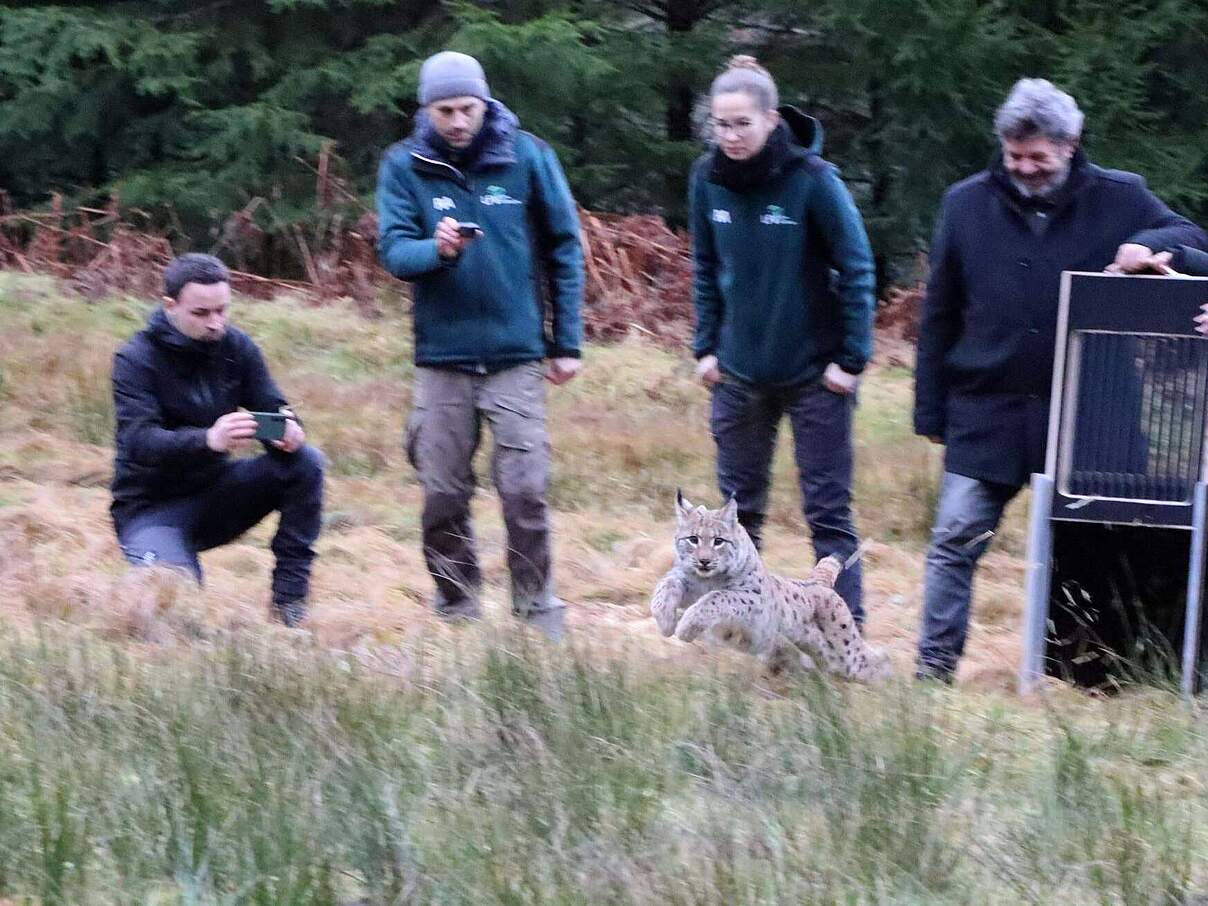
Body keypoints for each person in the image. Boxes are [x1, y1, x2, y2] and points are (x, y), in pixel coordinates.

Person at [913, 78, 1208, 681]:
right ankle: (933, 668)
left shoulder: (1122, 197)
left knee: (1092, 547)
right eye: (1014, 155)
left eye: (1038, 158)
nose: (1024, 168)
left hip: (1089, 413)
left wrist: (1144, 245)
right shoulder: (964, 203)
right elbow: (939, 311)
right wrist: (931, 413)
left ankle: (1085, 674)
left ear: (1070, 145)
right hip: (985, 409)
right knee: (955, 539)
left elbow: (1192, 239)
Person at [375, 51, 584, 627]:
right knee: (442, 495)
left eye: (467, 108)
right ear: (426, 110)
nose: (458, 122)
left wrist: (566, 342)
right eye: (444, 111)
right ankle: (458, 607)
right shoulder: (403, 166)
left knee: (525, 493)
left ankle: (536, 608)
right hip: (442, 357)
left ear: (485, 102)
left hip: (517, 355)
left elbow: (565, 248)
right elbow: (393, 250)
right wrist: (434, 251)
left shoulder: (528, 156)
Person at [690, 55, 876, 624]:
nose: (732, 136)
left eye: (743, 123)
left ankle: (845, 634)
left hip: (816, 376)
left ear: (771, 120)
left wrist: (851, 359)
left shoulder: (813, 181)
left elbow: (858, 267)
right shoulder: (706, 179)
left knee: (828, 514)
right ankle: (738, 628)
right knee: (735, 519)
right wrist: (705, 348)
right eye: (722, 125)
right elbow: (704, 266)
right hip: (739, 376)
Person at [111, 254, 325, 627]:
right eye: (202, 313)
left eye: (222, 310)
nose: (216, 323)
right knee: (172, 609)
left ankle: (289, 607)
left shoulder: (236, 348)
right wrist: (208, 440)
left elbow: (272, 406)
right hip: (148, 510)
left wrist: (287, 430)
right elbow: (138, 441)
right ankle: (164, 570)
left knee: (306, 462)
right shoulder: (135, 359)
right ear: (170, 306)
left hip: (217, 496)